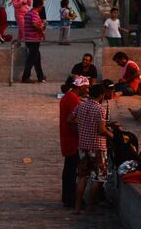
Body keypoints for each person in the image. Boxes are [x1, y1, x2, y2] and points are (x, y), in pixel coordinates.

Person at [70, 84, 113, 214]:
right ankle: (90, 206)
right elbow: (101, 130)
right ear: (101, 95)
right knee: (99, 177)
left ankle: (77, 207)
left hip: (83, 146)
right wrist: (112, 135)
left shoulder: (81, 105)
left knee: (82, 176)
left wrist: (81, 128)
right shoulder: (100, 109)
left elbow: (69, 119)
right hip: (97, 147)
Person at [60, 76, 88, 208]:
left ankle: (68, 197)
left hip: (69, 139)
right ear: (80, 86)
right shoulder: (72, 99)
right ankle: (70, 198)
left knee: (69, 170)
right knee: (72, 171)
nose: (87, 90)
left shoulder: (68, 97)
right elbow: (72, 120)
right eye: (85, 87)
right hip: (73, 140)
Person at [22, 0, 46, 83]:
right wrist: (41, 31)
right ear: (40, 6)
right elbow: (35, 24)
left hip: (28, 38)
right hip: (34, 39)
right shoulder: (35, 13)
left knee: (37, 58)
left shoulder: (28, 12)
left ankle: (40, 76)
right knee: (31, 59)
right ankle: (25, 77)